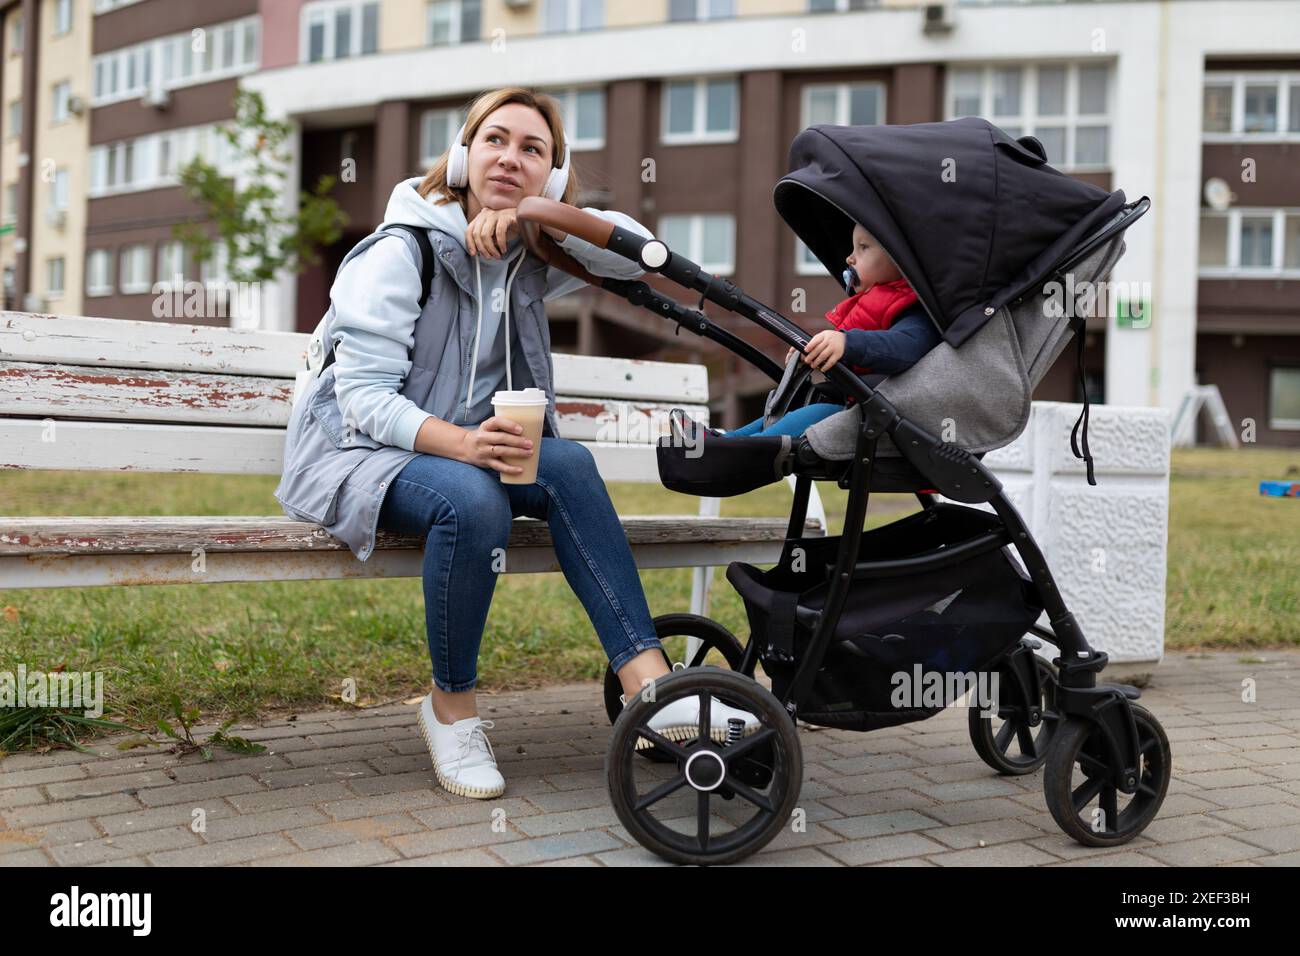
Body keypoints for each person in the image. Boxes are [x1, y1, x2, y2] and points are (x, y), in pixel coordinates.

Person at [275, 88, 758, 801]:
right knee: (473, 502)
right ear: (463, 156)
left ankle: (649, 687)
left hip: (466, 450)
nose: (511, 157)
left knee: (568, 463)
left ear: (553, 177)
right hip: (360, 456)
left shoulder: (530, 254)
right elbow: (363, 401)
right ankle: (451, 709)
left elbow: (634, 258)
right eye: (496, 140)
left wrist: (544, 217)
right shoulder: (400, 252)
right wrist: (465, 446)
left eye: (534, 150)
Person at [712, 222, 940, 440]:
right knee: (787, 412)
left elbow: (905, 347)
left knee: (806, 417)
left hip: (871, 415)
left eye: (863, 247)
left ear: (900, 257)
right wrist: (815, 350)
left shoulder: (914, 308)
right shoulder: (876, 301)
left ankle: (739, 449)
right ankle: (726, 440)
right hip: (850, 401)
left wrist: (846, 344)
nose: (849, 258)